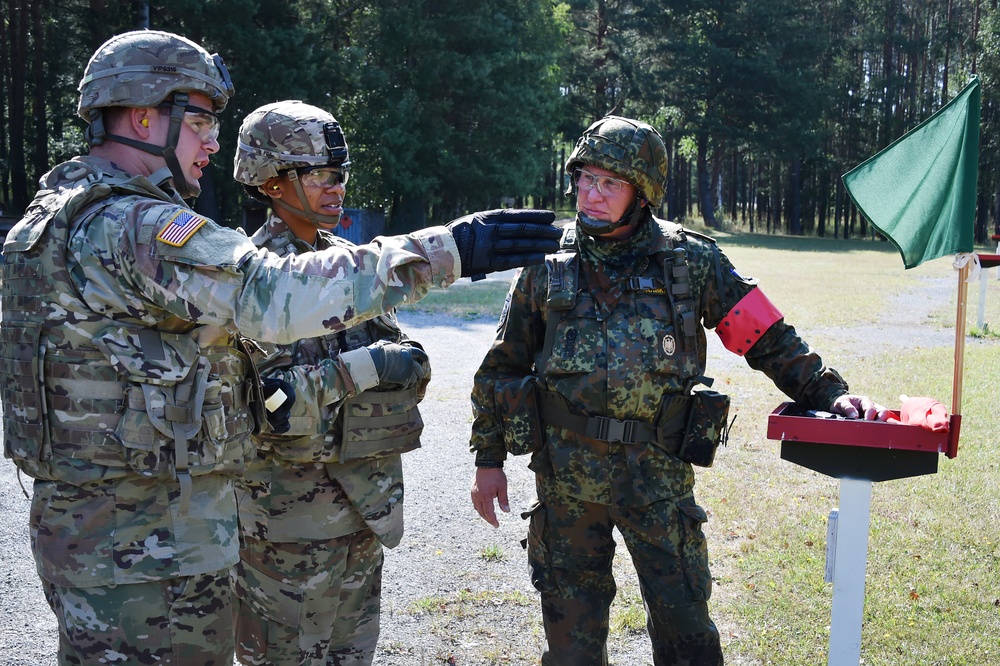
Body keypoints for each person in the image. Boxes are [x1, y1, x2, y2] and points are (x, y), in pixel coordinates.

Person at [0, 29, 559, 665]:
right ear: (143, 114)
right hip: (148, 553)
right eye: (201, 121)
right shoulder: (132, 223)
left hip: (98, 539)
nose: (212, 140)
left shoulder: (50, 218)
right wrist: (449, 250)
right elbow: (271, 294)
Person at [467, 115, 888, 666]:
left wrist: (829, 394)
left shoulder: (692, 260)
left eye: (610, 183)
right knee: (572, 646)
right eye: (585, 179)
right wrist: (488, 459)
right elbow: (501, 367)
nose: (591, 195)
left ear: (642, 192)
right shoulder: (548, 264)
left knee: (686, 632)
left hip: (658, 479)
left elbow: (765, 336)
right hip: (567, 482)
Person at [229, 100, 431, 665]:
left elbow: (414, 365)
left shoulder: (351, 266)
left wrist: (380, 368)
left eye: (340, 175)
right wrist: (365, 369)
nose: (335, 189)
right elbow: (271, 406)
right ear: (270, 181)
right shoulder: (249, 278)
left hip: (364, 512)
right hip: (285, 528)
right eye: (319, 176)